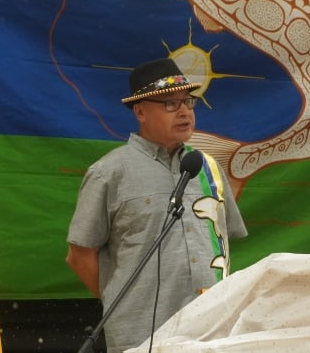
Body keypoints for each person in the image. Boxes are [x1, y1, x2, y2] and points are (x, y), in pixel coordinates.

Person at [65, 57, 248, 353]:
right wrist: (123, 301)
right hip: (142, 334)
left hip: (213, 327)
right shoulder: (110, 172)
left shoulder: (207, 167)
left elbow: (221, 243)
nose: (184, 111)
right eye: (170, 104)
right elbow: (79, 255)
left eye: (188, 102)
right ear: (140, 111)